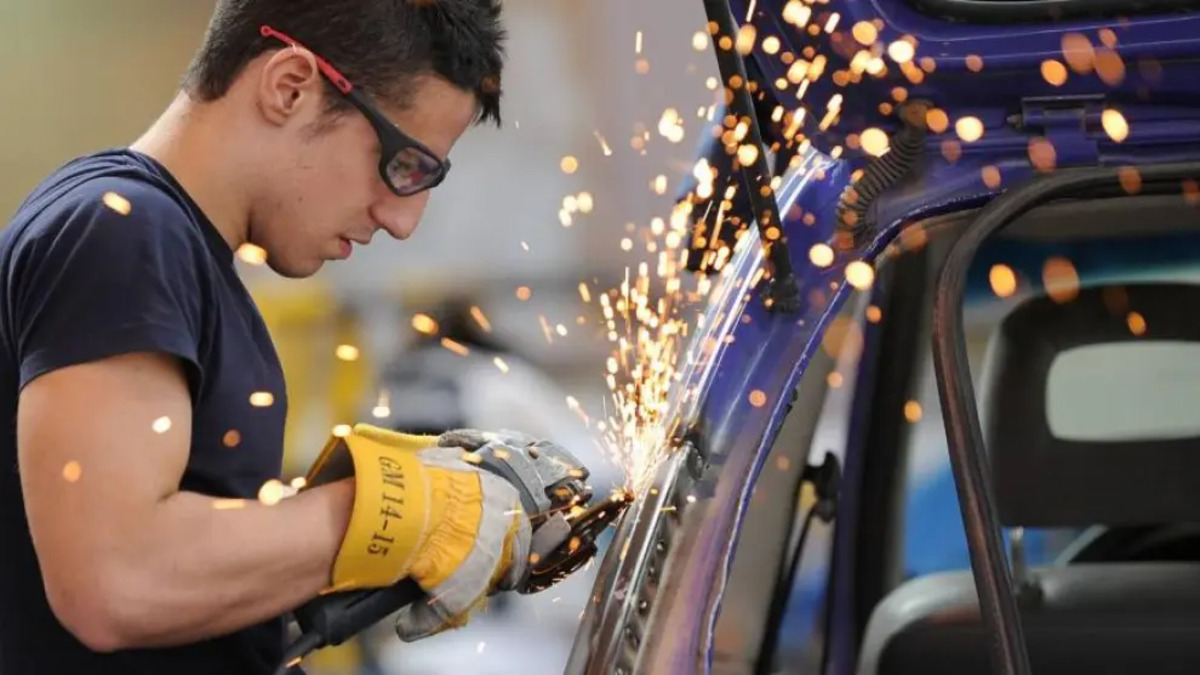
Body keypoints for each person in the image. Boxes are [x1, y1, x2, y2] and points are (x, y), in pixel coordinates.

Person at [0, 2, 577, 674]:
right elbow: (116, 579)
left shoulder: (175, 253)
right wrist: (397, 509)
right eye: (405, 165)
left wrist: (362, 539)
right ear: (291, 87)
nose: (402, 220)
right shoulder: (124, 229)